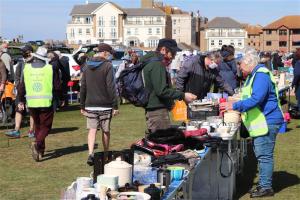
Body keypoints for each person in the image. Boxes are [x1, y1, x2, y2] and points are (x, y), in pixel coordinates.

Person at [220, 48, 284, 198]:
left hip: (267, 120)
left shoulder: (260, 75)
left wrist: (234, 106)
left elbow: (256, 99)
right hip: (262, 120)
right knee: (261, 154)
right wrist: (237, 101)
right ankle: (263, 184)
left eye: (241, 66)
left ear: (249, 64)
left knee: (264, 156)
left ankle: (266, 187)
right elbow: (251, 96)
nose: (240, 69)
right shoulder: (255, 74)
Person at [141, 38, 197, 133]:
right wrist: (183, 95)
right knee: (161, 144)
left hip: (156, 110)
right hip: (157, 112)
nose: (174, 56)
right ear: (163, 50)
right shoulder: (157, 64)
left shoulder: (155, 62)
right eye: (173, 52)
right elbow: (161, 91)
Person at [17, 46, 61, 161]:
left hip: (32, 102)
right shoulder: (50, 69)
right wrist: (60, 98)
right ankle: (37, 143)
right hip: (46, 102)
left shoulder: (27, 68)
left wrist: (20, 100)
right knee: (46, 126)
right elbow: (57, 86)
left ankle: (40, 151)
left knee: (38, 126)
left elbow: (21, 86)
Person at [80, 43, 119, 166]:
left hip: (90, 104)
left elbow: (83, 87)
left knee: (92, 130)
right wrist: (115, 105)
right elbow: (111, 87)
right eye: (109, 54)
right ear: (105, 53)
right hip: (105, 104)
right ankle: (106, 154)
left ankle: (90, 153)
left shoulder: (86, 65)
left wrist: (82, 105)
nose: (110, 56)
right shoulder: (108, 66)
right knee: (105, 130)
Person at [5, 45, 35, 138]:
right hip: (22, 88)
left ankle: (31, 131)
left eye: (24, 51)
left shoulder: (36, 62)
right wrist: (18, 86)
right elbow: (17, 76)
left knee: (32, 110)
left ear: (29, 51)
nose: (22, 53)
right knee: (19, 109)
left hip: (32, 89)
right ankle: (16, 130)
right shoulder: (21, 63)